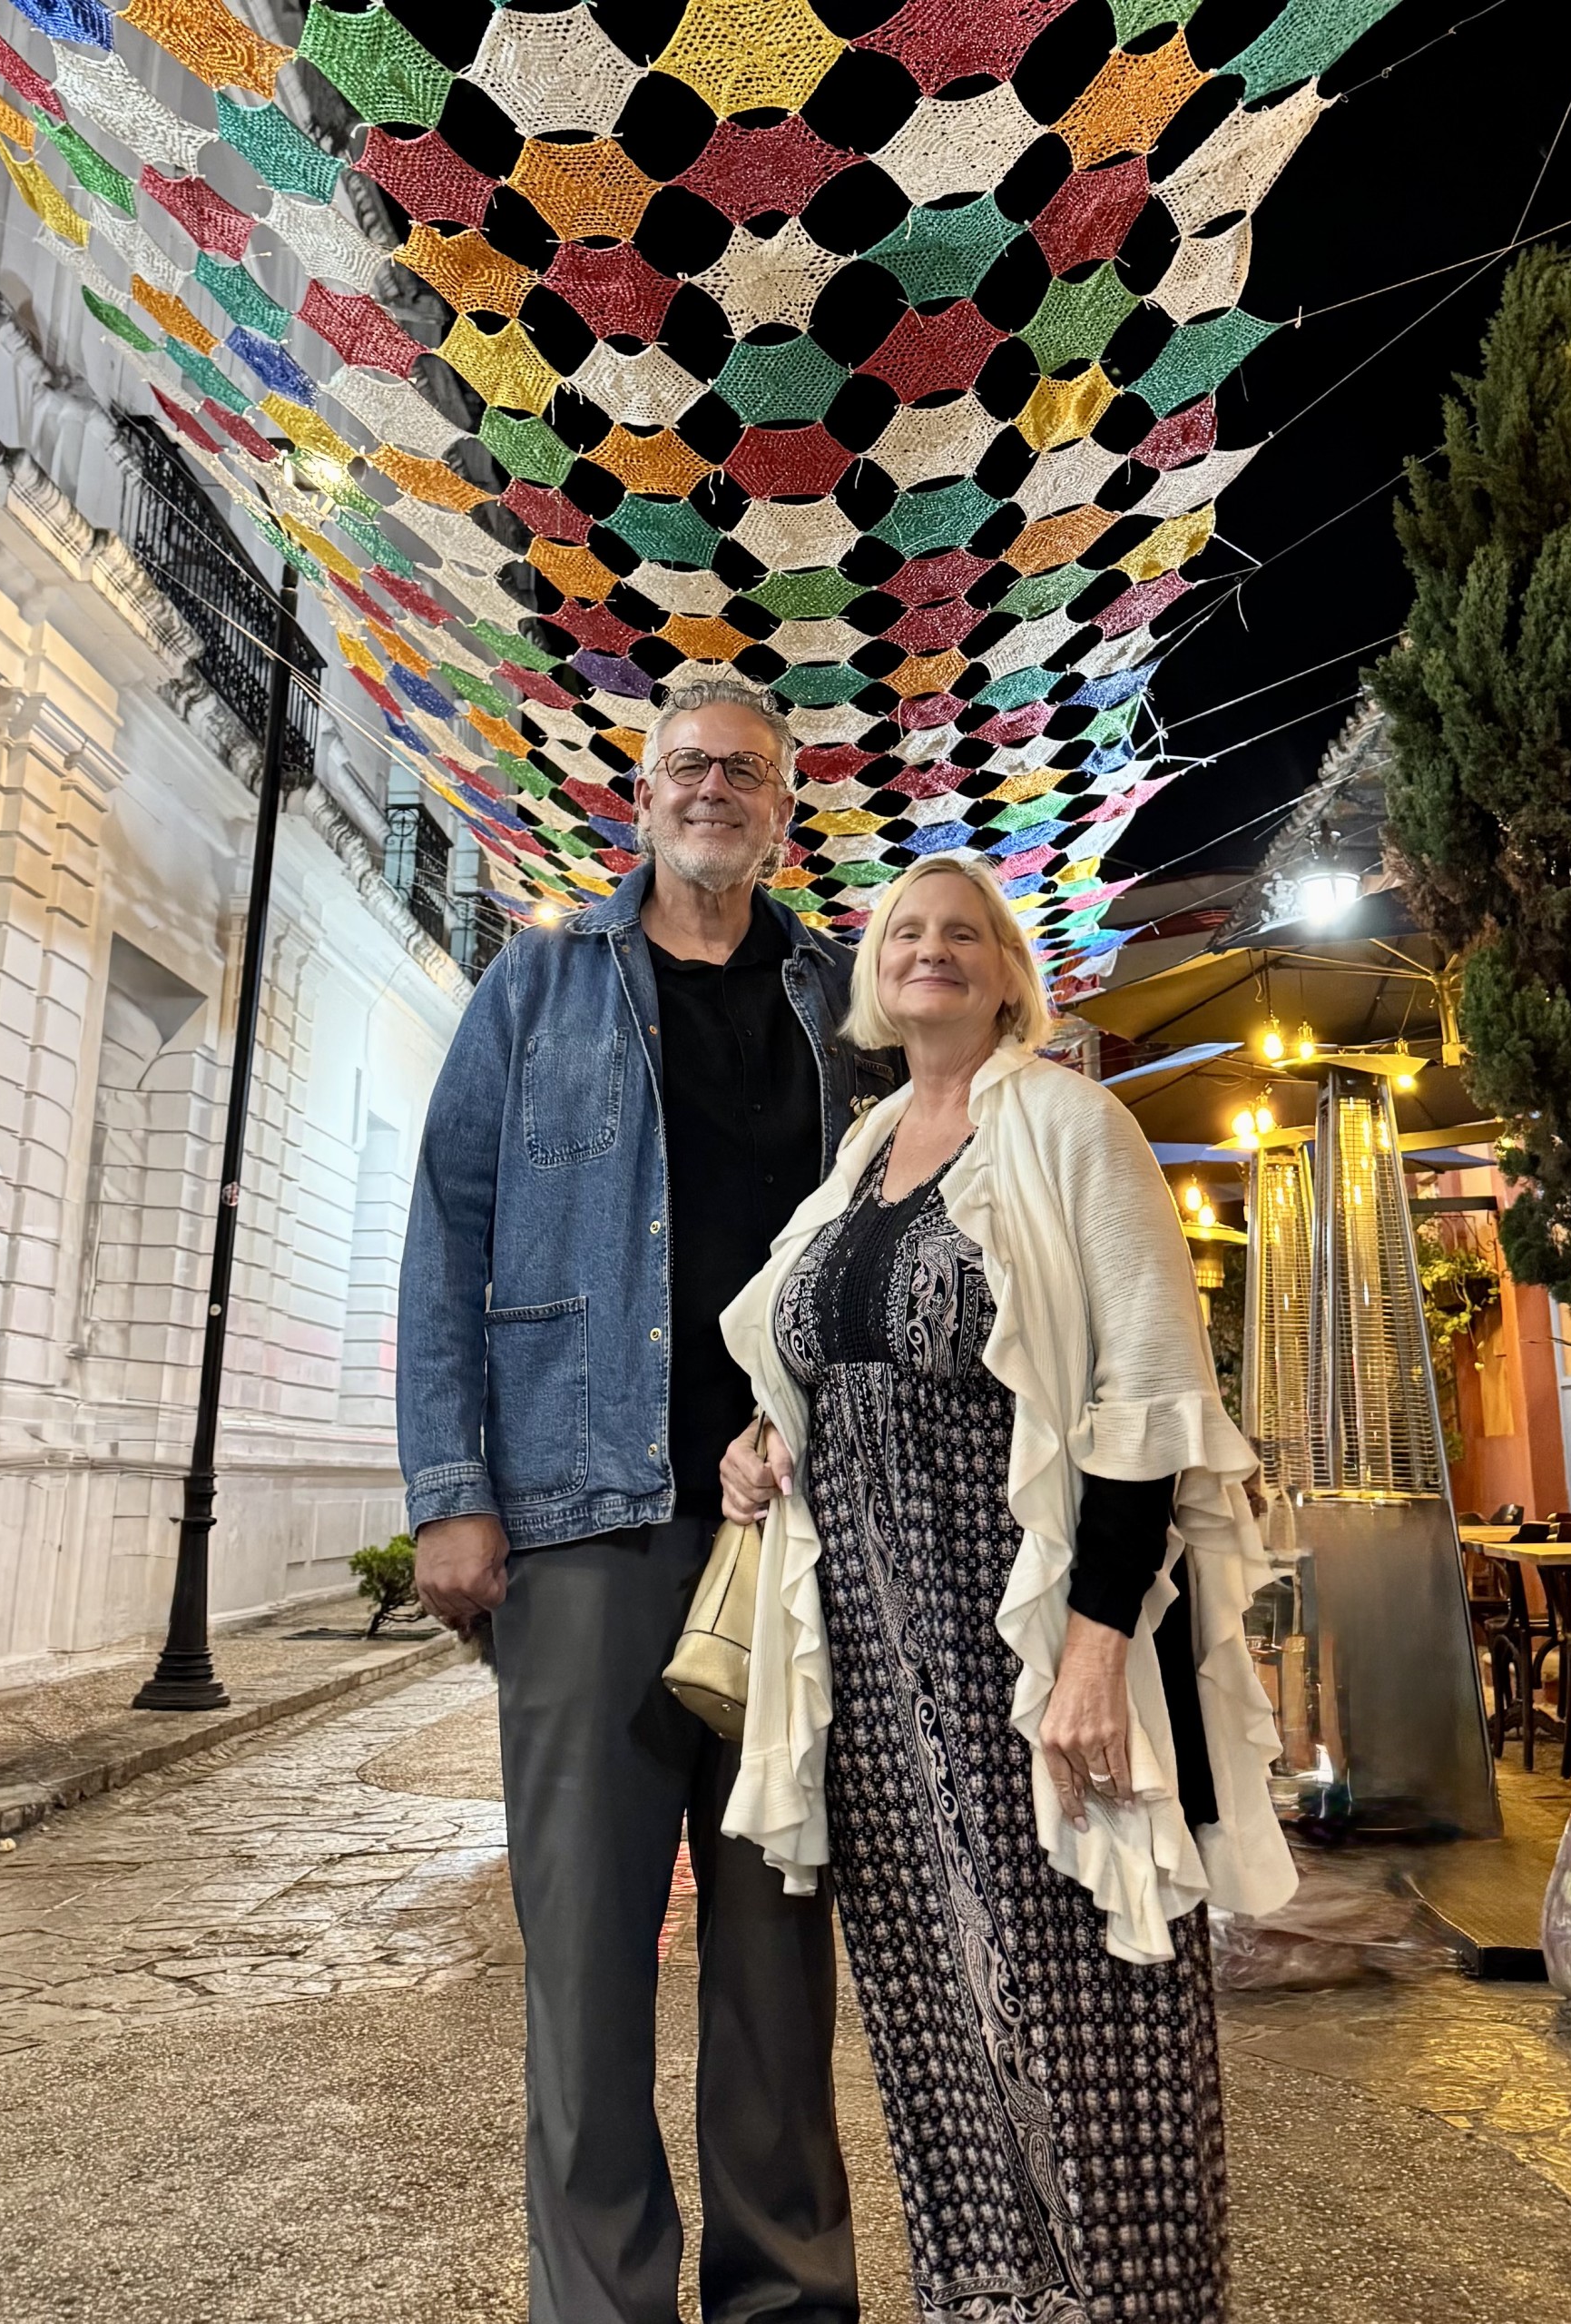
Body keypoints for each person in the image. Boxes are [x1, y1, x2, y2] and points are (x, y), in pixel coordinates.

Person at [717, 852, 1297, 2324]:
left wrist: (1098, 1644)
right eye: (905, 932)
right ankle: (986, 2302)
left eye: (962, 933)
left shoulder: (1067, 1125)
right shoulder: (858, 1155)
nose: (930, 951)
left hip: (1023, 1634)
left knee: (1092, 2001)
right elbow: (814, 1360)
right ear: (872, 976)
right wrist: (761, 1444)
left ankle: (1128, 2305)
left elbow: (1148, 1396)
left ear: (1006, 974)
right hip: (864, 1656)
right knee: (931, 2020)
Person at [397, 676, 896, 2324]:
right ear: (642, 793)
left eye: (744, 771)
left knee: (775, 1973)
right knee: (588, 1974)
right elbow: (448, 1241)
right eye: (687, 765)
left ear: (782, 803)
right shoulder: (538, 985)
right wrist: (453, 1492)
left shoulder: (845, 1003)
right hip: (582, 1525)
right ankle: (601, 2305)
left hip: (793, 1535)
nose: (713, 790)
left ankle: (786, 2302)